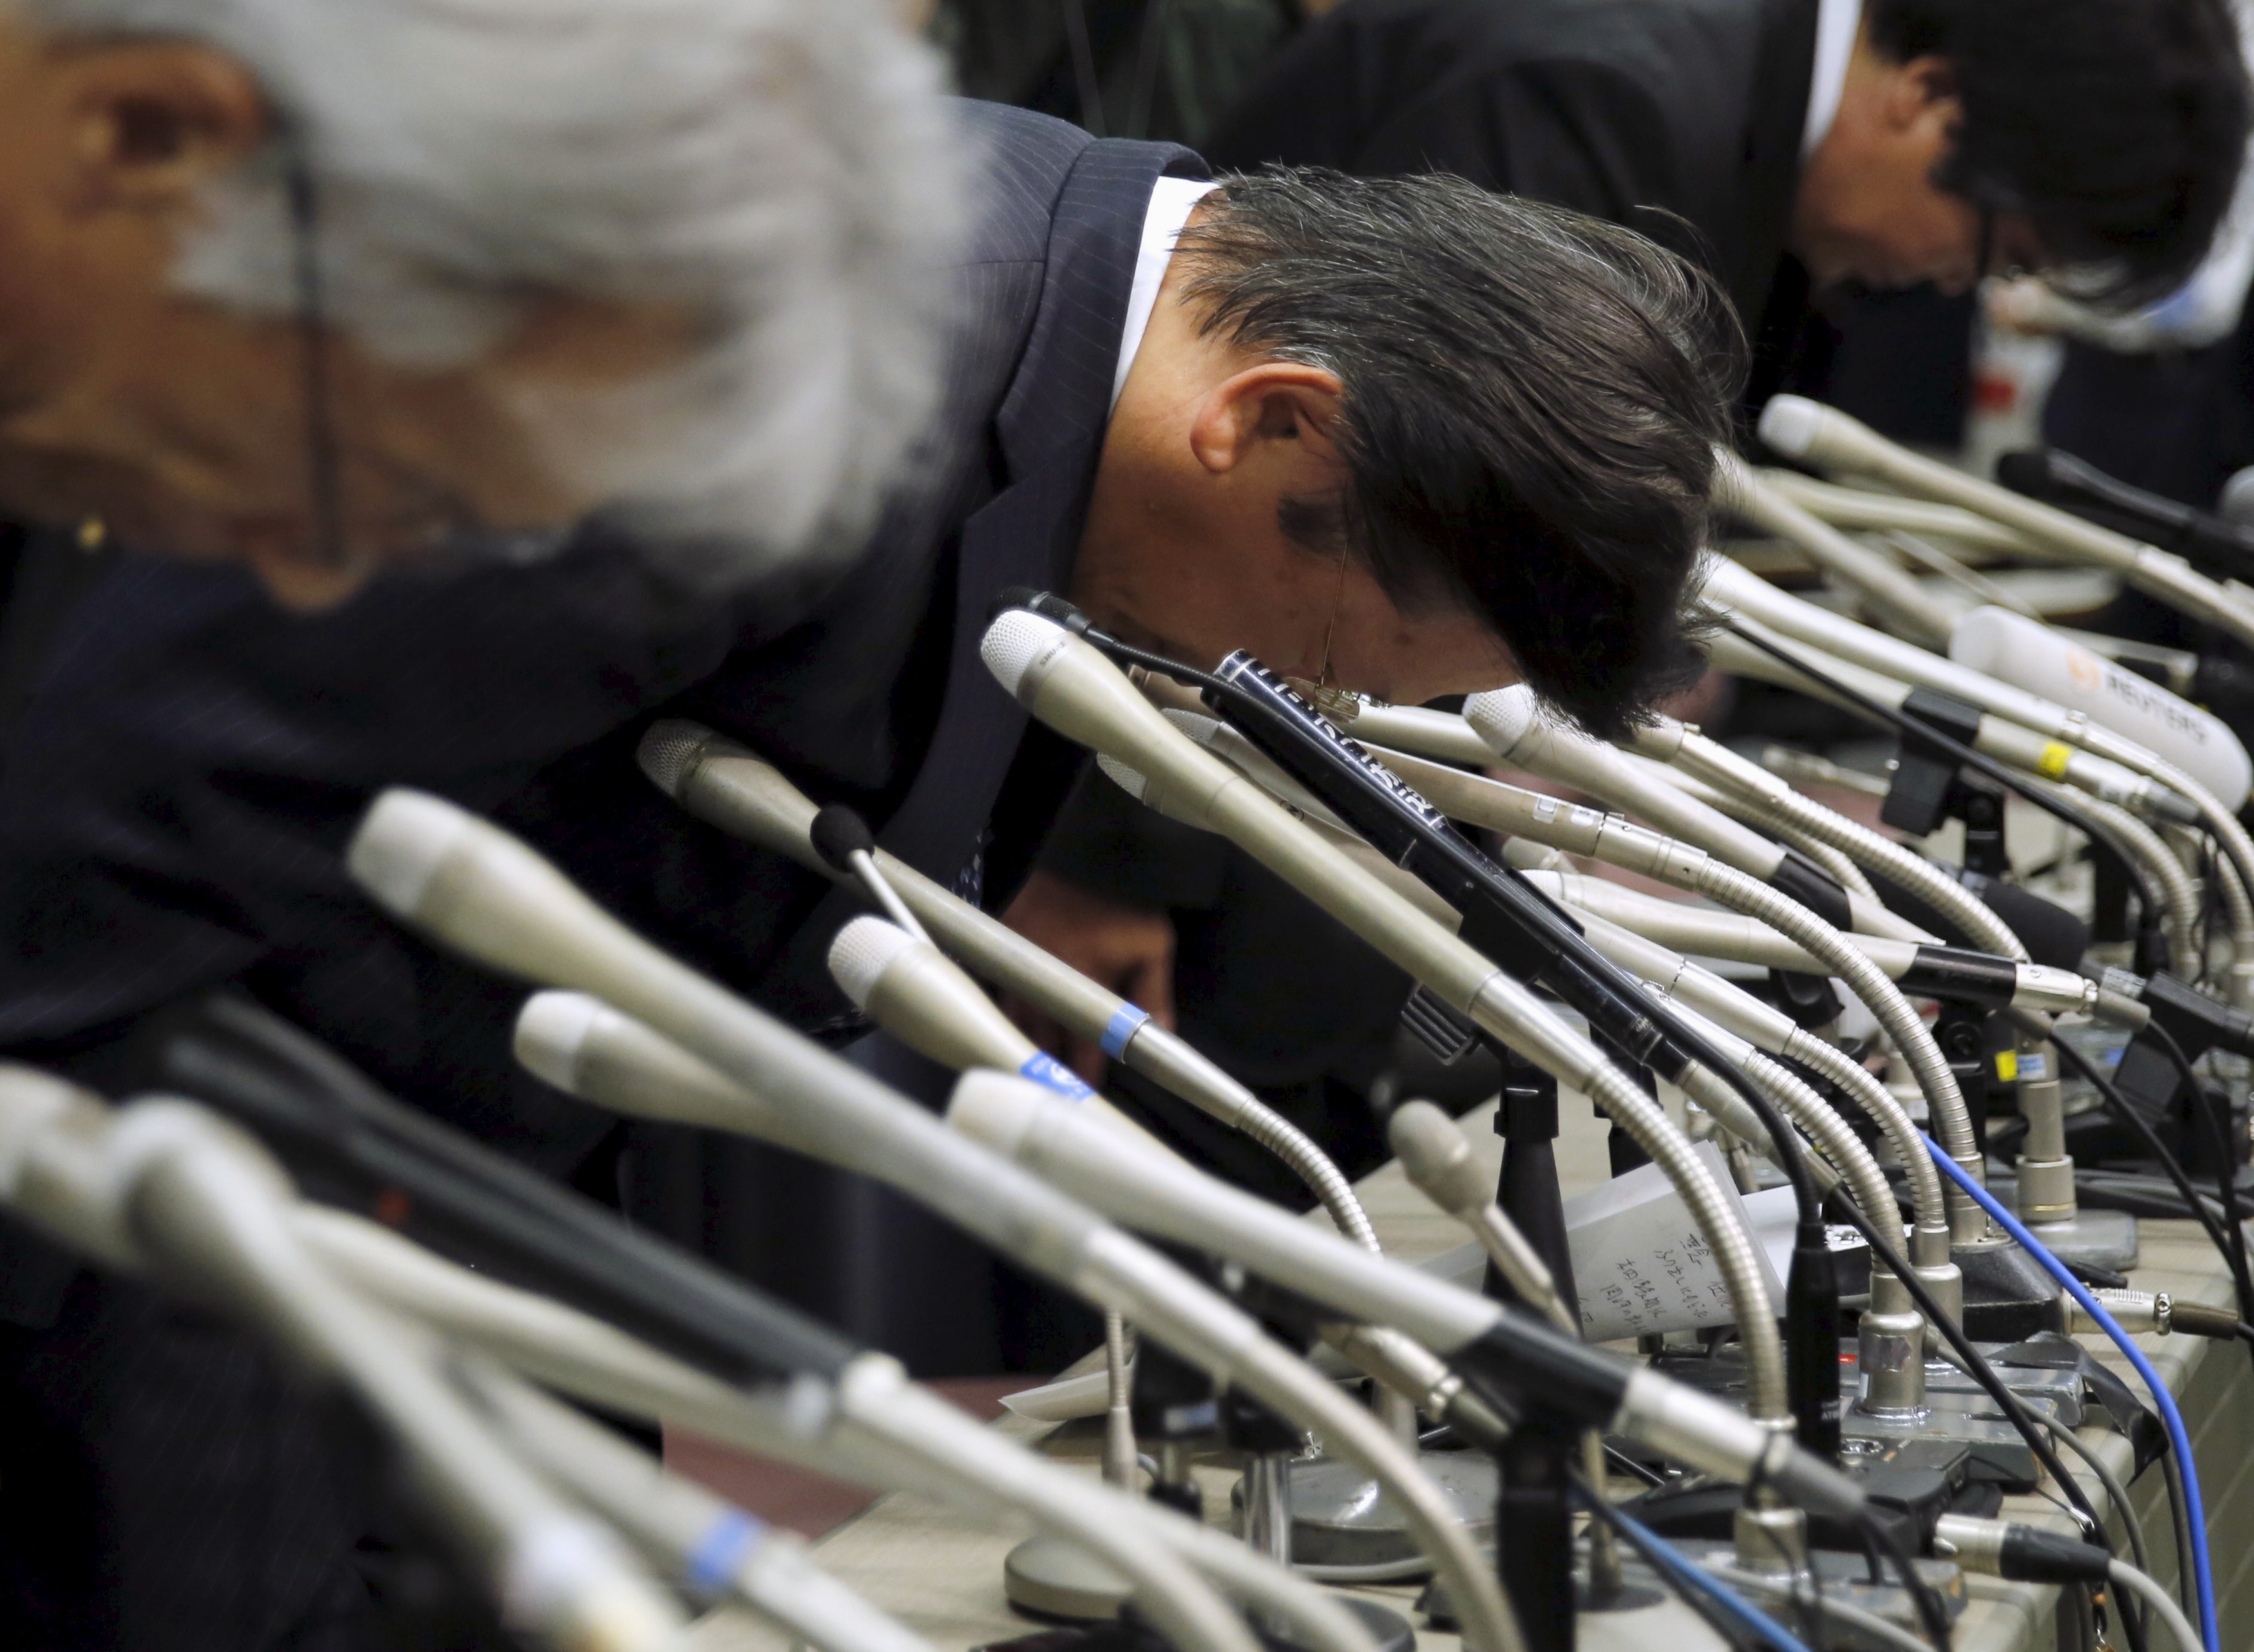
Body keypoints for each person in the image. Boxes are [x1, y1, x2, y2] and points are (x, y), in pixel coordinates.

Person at [0, 4, 1747, 1644]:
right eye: (1308, 655)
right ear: (1274, 420)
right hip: (210, 1234)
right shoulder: (758, 347)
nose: (1251, 693)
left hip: (472, 1190)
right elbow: (140, 810)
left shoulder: (1073, 280)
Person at [1007, 0, 2253, 1164]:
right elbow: (1282, 507)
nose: (1955, 289)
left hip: (1278, 754)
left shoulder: (1735, 116)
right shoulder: (1599, 99)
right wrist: (1098, 861)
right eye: (1998, 250)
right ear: (1923, 101)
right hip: (1127, 772)